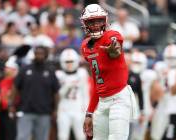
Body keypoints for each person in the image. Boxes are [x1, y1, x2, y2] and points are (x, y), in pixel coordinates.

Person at [81, 4, 138, 140]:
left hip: (119, 98)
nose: (95, 25)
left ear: (105, 20)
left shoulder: (112, 35)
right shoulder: (85, 46)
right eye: (91, 21)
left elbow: (115, 46)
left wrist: (114, 51)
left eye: (99, 20)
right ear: (85, 23)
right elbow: (97, 82)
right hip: (102, 100)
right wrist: (89, 113)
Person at [11, 46, 60, 140]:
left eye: (41, 54)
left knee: (41, 138)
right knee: (21, 137)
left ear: (45, 55)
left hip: (44, 112)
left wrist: (55, 110)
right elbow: (15, 87)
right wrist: (11, 104)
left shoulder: (50, 71)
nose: (39, 56)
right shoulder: (25, 69)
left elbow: (56, 93)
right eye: (37, 53)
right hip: (25, 110)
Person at [56, 48, 89, 140]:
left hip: (78, 109)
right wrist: (67, 85)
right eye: (67, 62)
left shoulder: (82, 73)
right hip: (63, 109)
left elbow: (85, 93)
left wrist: (87, 111)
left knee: (81, 136)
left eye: (71, 61)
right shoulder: (59, 74)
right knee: (62, 136)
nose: (69, 64)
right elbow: (58, 95)